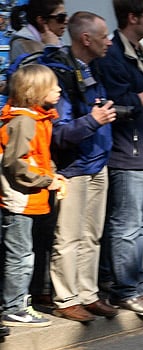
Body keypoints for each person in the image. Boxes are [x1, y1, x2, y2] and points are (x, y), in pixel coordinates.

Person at [40, 11, 118, 322]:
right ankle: (66, 298)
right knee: (68, 237)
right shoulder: (59, 74)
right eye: (104, 36)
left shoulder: (93, 68)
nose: (109, 41)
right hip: (73, 169)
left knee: (91, 235)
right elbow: (58, 134)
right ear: (86, 39)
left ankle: (88, 294)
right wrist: (93, 121)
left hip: (97, 163)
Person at [95, 0, 143, 317]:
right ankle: (124, 289)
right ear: (132, 18)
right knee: (125, 225)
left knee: (140, 224)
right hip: (128, 153)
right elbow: (116, 104)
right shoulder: (113, 56)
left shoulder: (137, 50)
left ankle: (138, 285)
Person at [0, 64, 67, 327]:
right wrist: (47, 179)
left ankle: (17, 302)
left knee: (23, 254)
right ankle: (14, 307)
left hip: (29, 198)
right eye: (52, 86)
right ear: (35, 91)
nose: (59, 89)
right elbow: (16, 164)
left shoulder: (38, 119)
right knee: (20, 256)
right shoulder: (25, 121)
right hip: (19, 200)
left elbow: (38, 157)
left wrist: (52, 175)